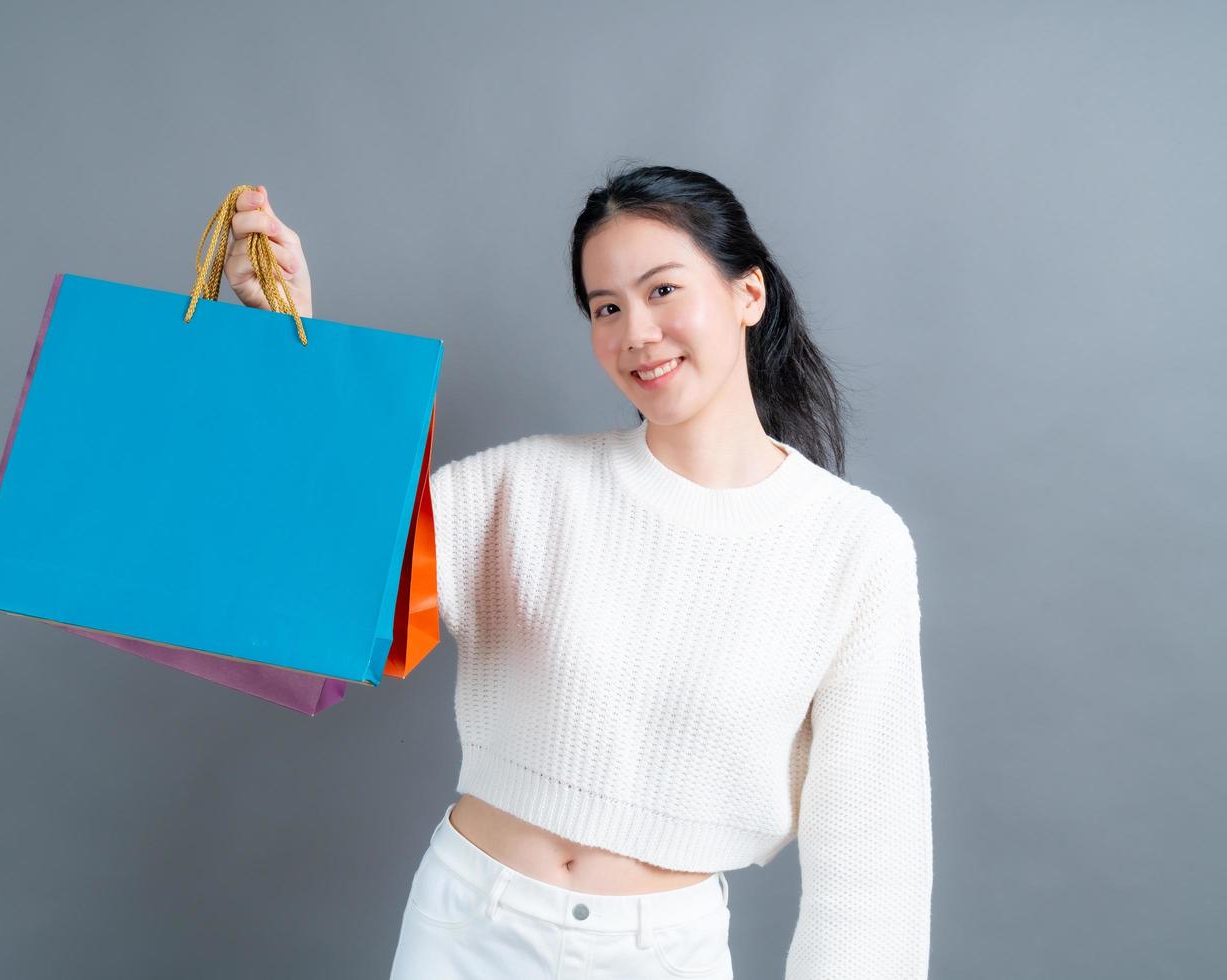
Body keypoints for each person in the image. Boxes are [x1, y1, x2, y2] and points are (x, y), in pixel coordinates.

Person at [226, 164, 933, 980]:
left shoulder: (854, 545)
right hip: (466, 929)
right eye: (606, 307)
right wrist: (285, 340)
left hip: (663, 956)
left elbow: (872, 866)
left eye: (663, 290)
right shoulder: (526, 487)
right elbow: (328, 573)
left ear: (749, 295)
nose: (636, 331)